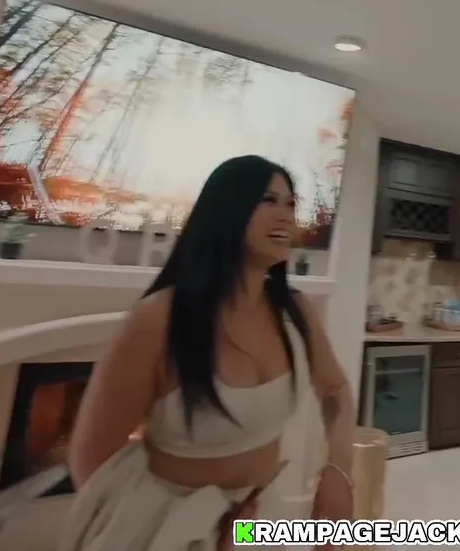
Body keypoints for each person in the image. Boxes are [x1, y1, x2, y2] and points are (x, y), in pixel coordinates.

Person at [62, 155, 356, 551]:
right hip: (163, 531)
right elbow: (91, 462)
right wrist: (193, 528)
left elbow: (335, 391)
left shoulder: (296, 310)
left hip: (253, 522)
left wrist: (337, 476)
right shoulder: (159, 318)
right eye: (269, 200)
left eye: (291, 204)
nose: (286, 216)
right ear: (227, 208)